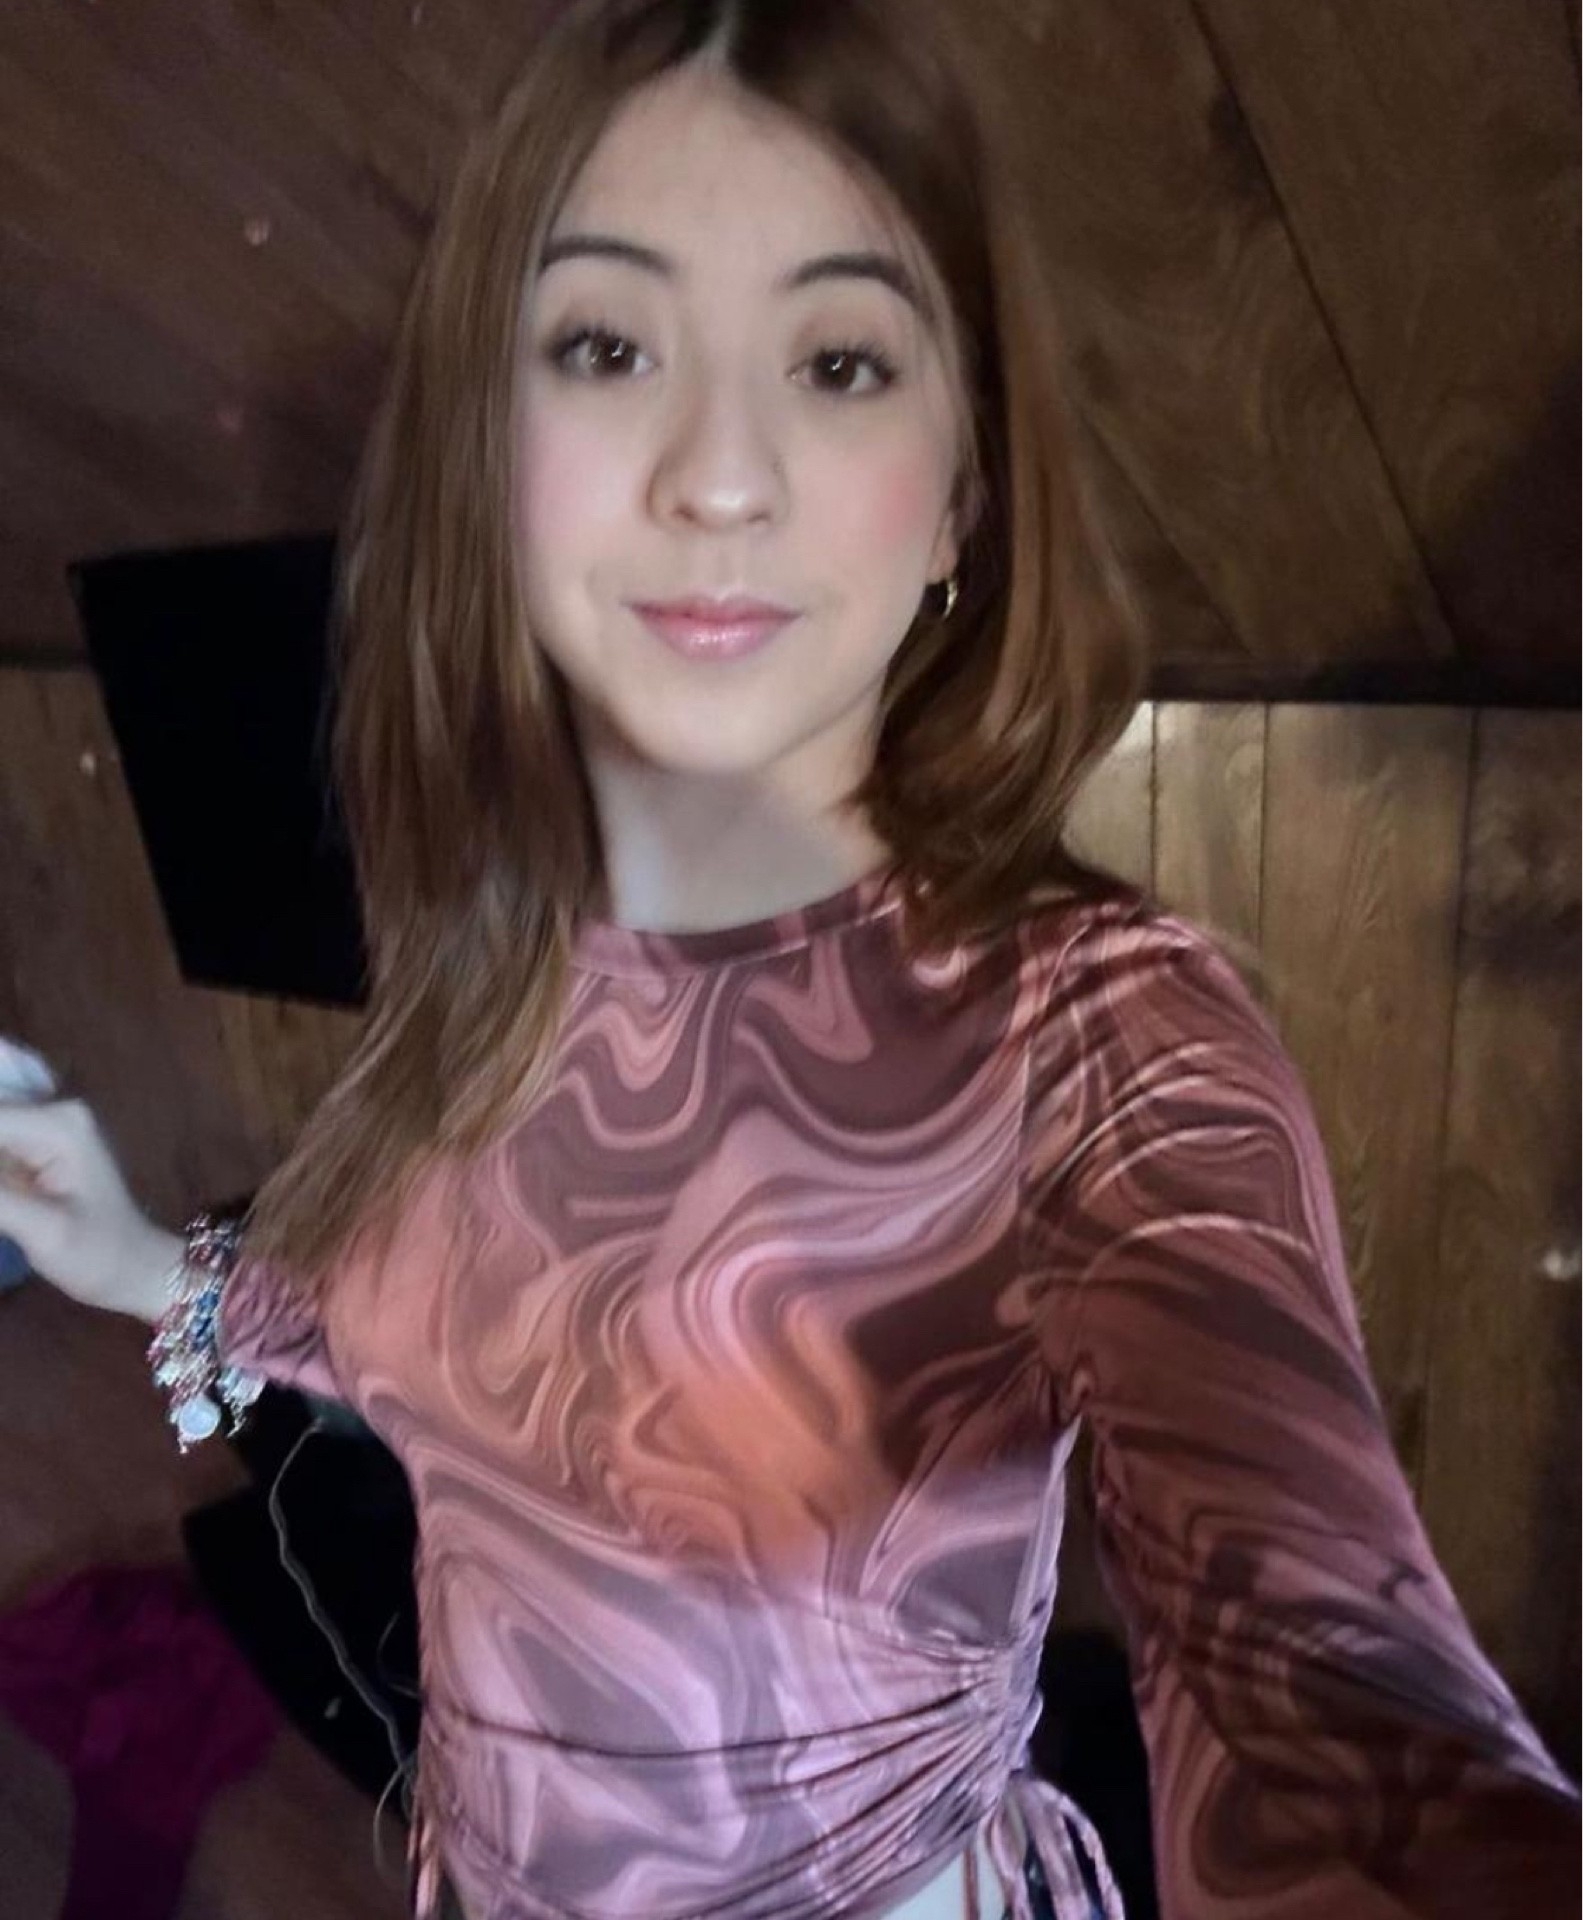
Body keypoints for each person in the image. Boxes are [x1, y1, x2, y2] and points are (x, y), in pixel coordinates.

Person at [0, 2, 1577, 1916]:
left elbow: (1325, 1672)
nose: (718, 473)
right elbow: (427, 1329)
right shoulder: (484, 942)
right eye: (607, 345)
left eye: (838, 361)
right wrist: (131, 1260)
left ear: (964, 495)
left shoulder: (1102, 1041)